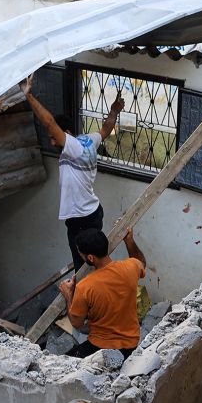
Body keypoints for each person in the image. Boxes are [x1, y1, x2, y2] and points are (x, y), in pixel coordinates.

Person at [22, 76, 125, 270]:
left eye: (54, 138)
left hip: (80, 219)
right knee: (94, 260)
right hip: (93, 212)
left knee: (83, 267)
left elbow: (49, 122)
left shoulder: (73, 146)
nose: (52, 142)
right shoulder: (88, 140)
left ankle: (85, 295)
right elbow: (106, 128)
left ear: (66, 133)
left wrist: (29, 95)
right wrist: (114, 110)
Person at [60, 228, 146, 359]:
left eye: (80, 254)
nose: (80, 256)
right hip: (131, 344)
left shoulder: (85, 287)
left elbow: (77, 323)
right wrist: (129, 241)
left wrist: (68, 295)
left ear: (90, 257)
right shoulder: (131, 267)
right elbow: (142, 263)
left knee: (63, 364)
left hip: (101, 347)